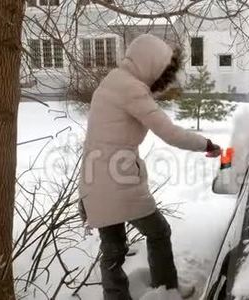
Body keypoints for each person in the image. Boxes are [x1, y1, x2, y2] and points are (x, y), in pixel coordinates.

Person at [79, 34, 221, 300]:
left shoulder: (111, 82)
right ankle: (167, 289)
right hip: (117, 178)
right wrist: (206, 143)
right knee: (158, 231)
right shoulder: (131, 89)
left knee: (112, 248)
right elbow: (170, 133)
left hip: (92, 177)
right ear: (151, 64)